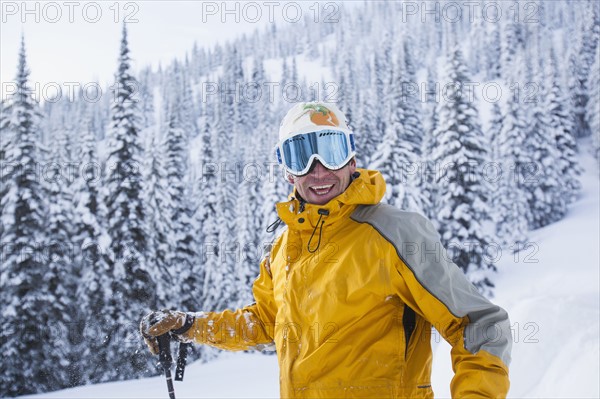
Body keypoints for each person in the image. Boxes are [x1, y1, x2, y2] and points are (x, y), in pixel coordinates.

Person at [140, 101, 512, 398]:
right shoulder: (285, 246)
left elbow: (477, 323)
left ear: (351, 158)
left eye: (330, 152)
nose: (318, 171)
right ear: (287, 170)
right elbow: (267, 321)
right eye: (301, 156)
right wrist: (192, 326)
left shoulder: (393, 233)